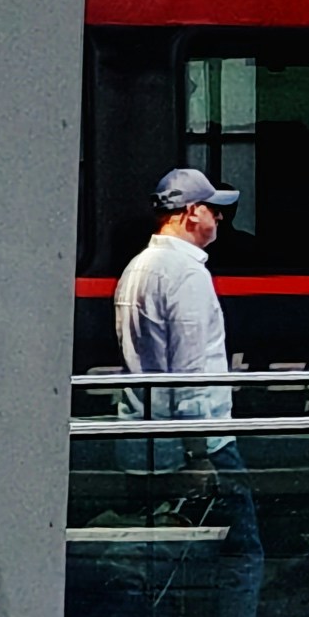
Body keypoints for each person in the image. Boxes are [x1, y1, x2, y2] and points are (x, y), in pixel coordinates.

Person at [115, 166, 240, 424]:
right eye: (214, 209)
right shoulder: (187, 273)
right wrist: (199, 451)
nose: (220, 218)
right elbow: (190, 372)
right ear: (193, 212)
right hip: (197, 439)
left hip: (139, 431)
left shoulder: (135, 266)